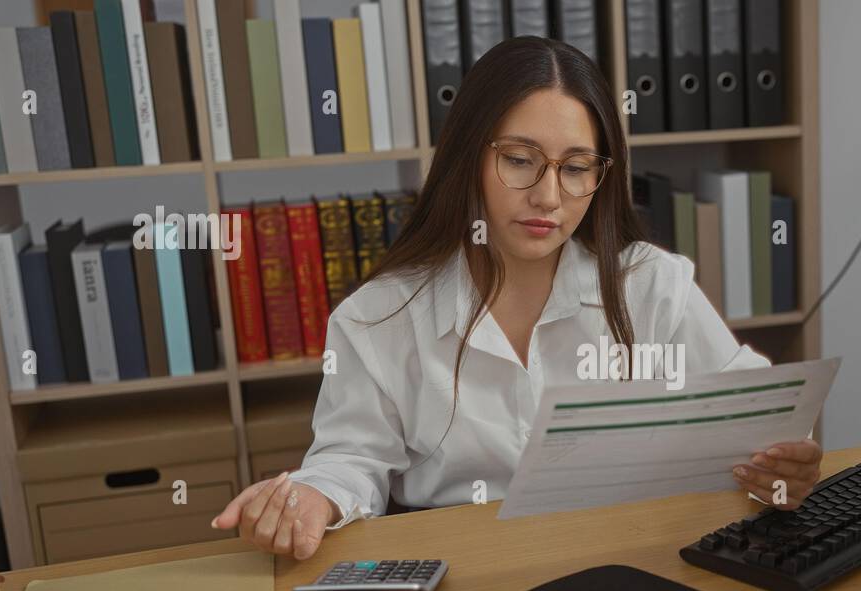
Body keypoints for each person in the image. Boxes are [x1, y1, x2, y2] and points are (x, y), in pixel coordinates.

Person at [211, 36, 824, 559]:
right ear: (467, 159)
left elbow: (753, 412)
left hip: (629, 564)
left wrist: (778, 468)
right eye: (520, 160)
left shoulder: (652, 284)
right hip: (464, 573)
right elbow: (350, 458)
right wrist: (313, 496)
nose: (548, 197)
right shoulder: (379, 315)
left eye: (577, 167)